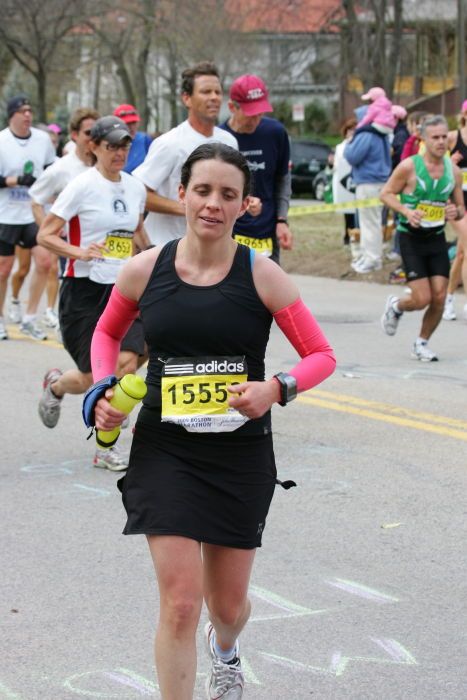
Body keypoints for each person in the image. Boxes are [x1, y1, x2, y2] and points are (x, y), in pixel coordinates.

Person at [88, 143, 336, 699]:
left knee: (227, 607)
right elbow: (106, 334)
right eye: (202, 191)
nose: (212, 204)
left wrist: (275, 389)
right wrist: (104, 389)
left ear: (245, 204)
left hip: (239, 454)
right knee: (179, 602)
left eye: (227, 194)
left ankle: (225, 646)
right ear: (181, 195)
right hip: (165, 450)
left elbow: (321, 355)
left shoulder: (262, 274)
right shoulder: (144, 270)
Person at [36, 115, 149, 471]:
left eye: (125, 145)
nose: (120, 152)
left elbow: (136, 236)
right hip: (82, 293)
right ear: (93, 147)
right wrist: (79, 252)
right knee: (92, 378)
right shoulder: (81, 186)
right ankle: (56, 386)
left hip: (123, 289)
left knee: (129, 362)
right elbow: (46, 235)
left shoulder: (135, 188)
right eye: (111, 145)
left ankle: (105, 442)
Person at [380, 115, 464, 361]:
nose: (440, 142)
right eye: (434, 137)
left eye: (443, 137)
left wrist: (454, 211)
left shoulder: (454, 172)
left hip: (436, 237)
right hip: (410, 238)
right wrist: (406, 211)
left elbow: (460, 207)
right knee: (421, 298)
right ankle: (396, 306)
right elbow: (385, 194)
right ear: (423, 139)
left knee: (439, 297)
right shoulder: (409, 166)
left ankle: (421, 342)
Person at [133, 61, 238, 246]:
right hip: (167, 247)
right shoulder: (170, 143)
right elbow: (139, 194)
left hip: (210, 250)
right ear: (186, 98)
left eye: (218, 92)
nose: (214, 97)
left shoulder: (229, 142)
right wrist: (189, 207)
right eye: (206, 92)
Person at [27, 108, 100, 330]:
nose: (93, 138)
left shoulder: (105, 165)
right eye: (88, 132)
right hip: (76, 249)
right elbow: (35, 198)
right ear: (74, 135)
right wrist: (48, 229)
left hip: (105, 252)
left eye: (97, 132)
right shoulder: (61, 169)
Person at [219, 73, 292, 262]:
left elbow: (282, 180)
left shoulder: (275, 133)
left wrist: (282, 220)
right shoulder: (219, 138)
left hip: (266, 232)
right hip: (228, 232)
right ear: (232, 107)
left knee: (269, 289)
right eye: (250, 113)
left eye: (260, 113)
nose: (256, 120)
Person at [0, 94, 56, 340]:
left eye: (29, 110)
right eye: (22, 111)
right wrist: (16, 181)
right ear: (11, 115)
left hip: (33, 213)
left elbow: (53, 171)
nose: (27, 115)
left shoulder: (43, 140)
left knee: (44, 262)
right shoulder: (1, 141)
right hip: (6, 214)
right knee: (4, 269)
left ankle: (30, 318)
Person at [344, 98, 394, 273]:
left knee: (369, 223)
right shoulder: (382, 134)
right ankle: (369, 256)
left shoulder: (366, 134)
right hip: (380, 182)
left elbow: (352, 156)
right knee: (373, 222)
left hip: (368, 183)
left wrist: (349, 144)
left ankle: (372, 259)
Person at [443, 100, 467, 321]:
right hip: (457, 202)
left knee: (461, 254)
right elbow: (434, 162)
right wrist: (450, 161)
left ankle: (448, 299)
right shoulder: (452, 137)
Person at [332, 117, 357, 248]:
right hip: (344, 183)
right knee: (348, 212)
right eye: (350, 130)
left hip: (356, 182)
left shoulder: (359, 145)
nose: (352, 133)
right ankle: (347, 234)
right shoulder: (340, 147)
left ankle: (355, 234)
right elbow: (337, 164)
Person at [113, 104, 152, 173]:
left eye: (133, 122)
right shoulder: (108, 143)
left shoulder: (145, 140)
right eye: (127, 123)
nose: (131, 127)